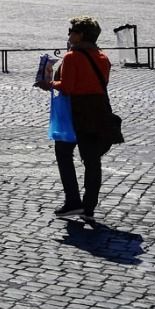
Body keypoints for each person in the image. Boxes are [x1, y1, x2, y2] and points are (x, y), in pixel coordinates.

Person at [37, 14, 121, 225]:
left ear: (80, 35)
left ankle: (73, 201)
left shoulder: (72, 57)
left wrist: (48, 84)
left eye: (71, 31)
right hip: (98, 109)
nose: (68, 35)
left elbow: (67, 87)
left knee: (64, 152)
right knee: (92, 161)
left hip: (75, 110)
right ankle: (89, 207)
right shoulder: (103, 57)